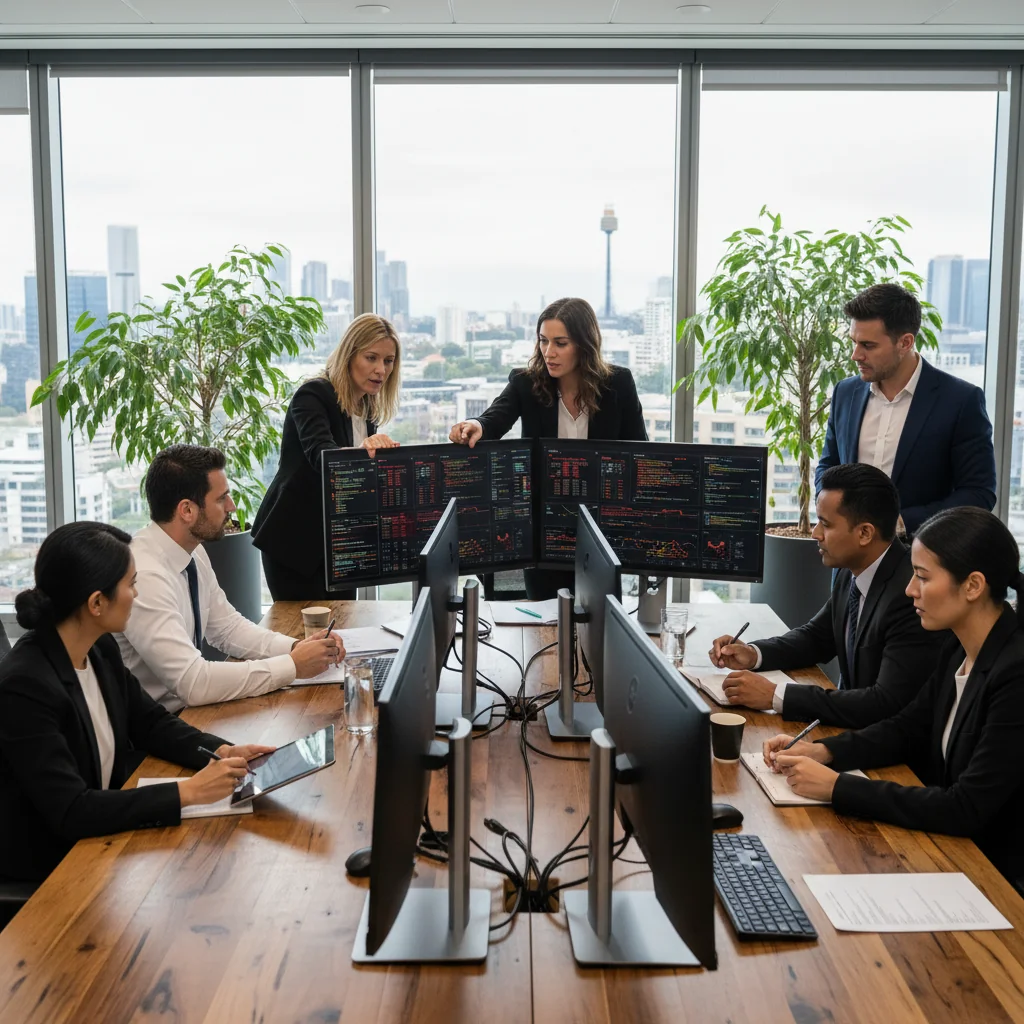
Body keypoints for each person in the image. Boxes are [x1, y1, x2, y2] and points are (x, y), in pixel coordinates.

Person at [763, 507, 1024, 896]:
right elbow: (906, 728)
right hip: (950, 854)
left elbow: (966, 807)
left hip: (994, 879)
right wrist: (823, 751)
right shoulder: (960, 645)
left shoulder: (1015, 673)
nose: (910, 590)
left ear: (972, 586)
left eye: (922, 577)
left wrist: (838, 788)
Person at [0, 522, 274, 884]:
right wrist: (189, 792)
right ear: (96, 603)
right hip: (53, 871)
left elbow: (150, 723)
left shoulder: (99, 648)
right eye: (130, 583)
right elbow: (71, 809)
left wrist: (221, 751)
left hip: (105, 844)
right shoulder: (26, 686)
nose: (137, 593)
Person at [709, 464, 943, 728]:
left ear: (865, 533)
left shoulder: (909, 595)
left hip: (897, 758)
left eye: (826, 524)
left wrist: (775, 695)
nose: (815, 533)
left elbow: (884, 703)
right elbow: (816, 638)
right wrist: (753, 654)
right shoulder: (851, 570)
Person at [118, 444, 343, 714]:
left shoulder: (192, 550)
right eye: (221, 498)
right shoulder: (145, 576)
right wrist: (292, 666)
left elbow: (227, 629)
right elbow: (194, 683)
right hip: (156, 732)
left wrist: (296, 647)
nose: (232, 507)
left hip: (185, 717)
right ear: (187, 510)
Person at [447, 297, 647, 597]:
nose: (548, 352)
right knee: (543, 624)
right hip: (545, 532)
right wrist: (477, 425)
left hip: (601, 530)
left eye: (560, 343)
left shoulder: (618, 384)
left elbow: (639, 452)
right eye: (543, 341)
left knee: (602, 625)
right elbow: (495, 418)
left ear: (584, 344)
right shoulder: (526, 382)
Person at [816, 283, 995, 536]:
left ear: (905, 342)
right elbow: (828, 467)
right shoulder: (845, 393)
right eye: (854, 342)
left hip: (920, 562)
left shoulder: (961, 400)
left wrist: (899, 523)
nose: (855, 355)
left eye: (868, 345)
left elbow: (979, 493)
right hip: (847, 561)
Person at [252, 313, 401, 601]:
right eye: (371, 357)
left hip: (339, 544)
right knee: (302, 637)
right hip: (295, 541)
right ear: (349, 354)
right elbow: (323, 457)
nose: (381, 369)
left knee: (343, 632)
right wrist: (363, 453)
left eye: (388, 361)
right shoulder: (313, 395)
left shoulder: (366, 407)